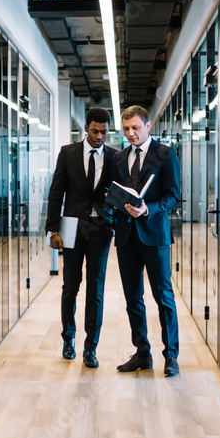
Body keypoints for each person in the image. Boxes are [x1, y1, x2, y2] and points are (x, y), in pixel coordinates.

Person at [112, 105, 181, 377]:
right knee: (133, 298)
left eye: (135, 128)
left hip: (154, 236)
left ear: (148, 126)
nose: (130, 134)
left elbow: (173, 195)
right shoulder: (119, 157)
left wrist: (147, 209)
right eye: (126, 128)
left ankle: (171, 356)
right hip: (126, 236)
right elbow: (116, 192)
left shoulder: (164, 154)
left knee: (163, 297)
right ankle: (142, 353)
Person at [45, 107, 117, 368]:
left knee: (95, 289)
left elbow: (119, 194)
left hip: (101, 229)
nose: (100, 137)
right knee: (70, 286)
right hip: (71, 227)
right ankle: (68, 338)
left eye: (105, 132)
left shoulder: (114, 157)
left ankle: (91, 347)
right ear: (86, 128)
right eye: (95, 131)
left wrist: (114, 222)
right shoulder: (68, 153)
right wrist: (53, 230)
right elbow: (56, 192)